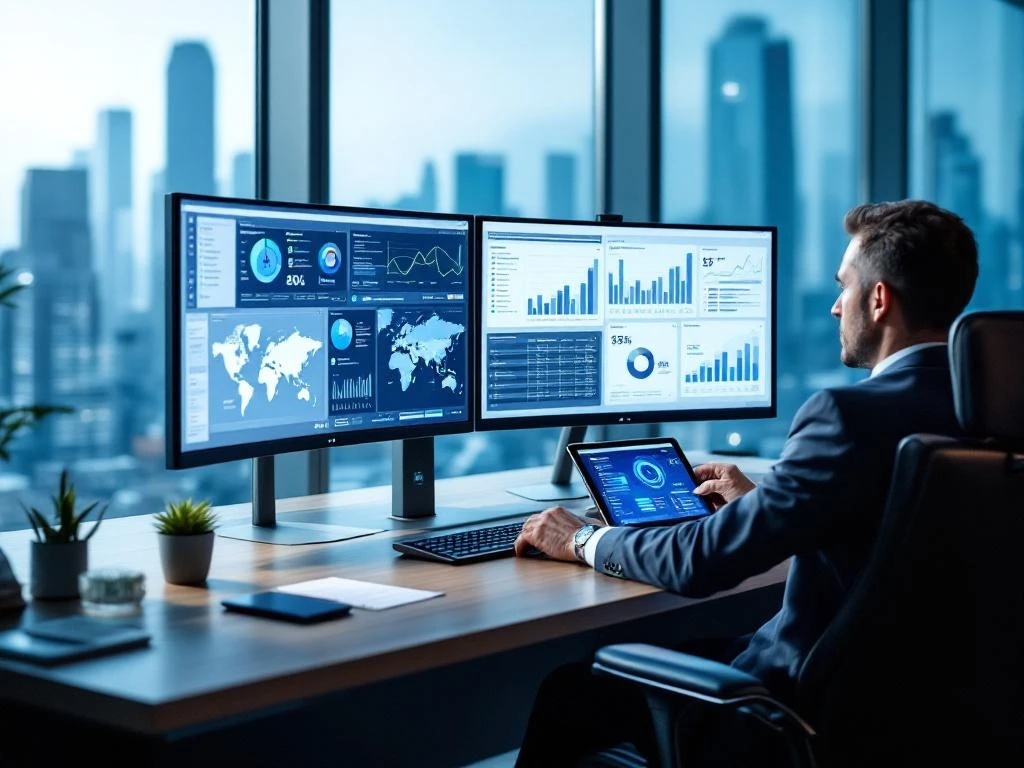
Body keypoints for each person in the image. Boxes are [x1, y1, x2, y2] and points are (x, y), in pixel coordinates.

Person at [512, 200, 979, 767]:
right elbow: (893, 539)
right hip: (926, 715)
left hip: (791, 713)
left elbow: (703, 561)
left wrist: (583, 540)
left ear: (879, 300)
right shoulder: (991, 412)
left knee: (570, 689)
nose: (835, 307)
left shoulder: (847, 417)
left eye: (844, 286)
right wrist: (767, 507)